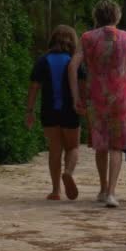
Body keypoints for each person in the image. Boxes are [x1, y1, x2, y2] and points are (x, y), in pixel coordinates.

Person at [68, 0, 126, 208]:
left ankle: (102, 189)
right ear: (117, 16)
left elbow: (73, 66)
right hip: (121, 97)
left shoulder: (86, 38)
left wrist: (76, 96)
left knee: (101, 145)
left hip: (96, 98)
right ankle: (112, 192)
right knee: (117, 147)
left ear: (96, 17)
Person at [26, 25, 84, 201]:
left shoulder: (42, 61)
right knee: (73, 146)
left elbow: (34, 87)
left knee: (54, 149)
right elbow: (82, 85)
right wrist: (84, 105)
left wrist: (29, 111)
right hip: (70, 110)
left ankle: (56, 190)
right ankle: (68, 172)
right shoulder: (74, 61)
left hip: (49, 110)